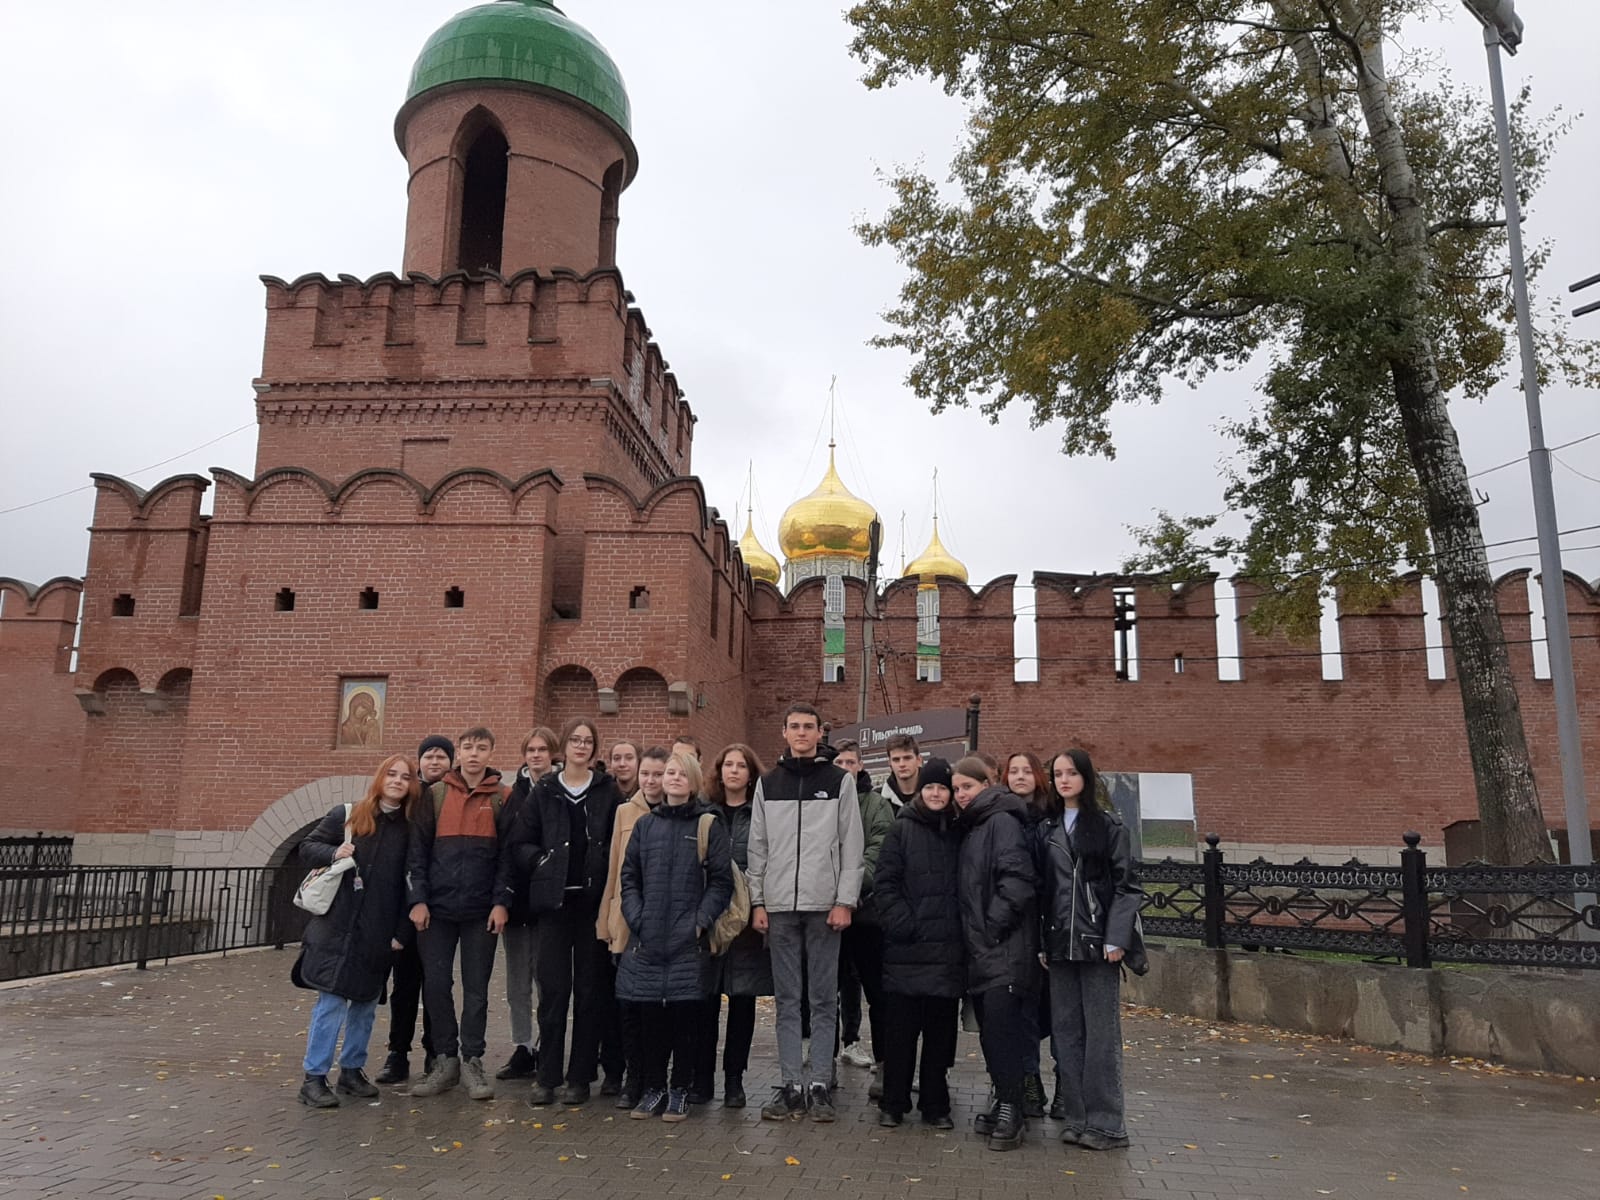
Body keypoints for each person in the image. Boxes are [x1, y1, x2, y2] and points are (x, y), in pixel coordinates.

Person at [496, 716, 624, 1106]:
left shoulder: (607, 791)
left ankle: (580, 1077)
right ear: (563, 747)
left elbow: (619, 842)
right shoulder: (546, 790)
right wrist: (541, 863)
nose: (581, 747)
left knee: (590, 993)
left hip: (591, 907)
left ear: (594, 749)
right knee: (553, 993)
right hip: (553, 907)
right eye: (575, 740)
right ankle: (547, 1075)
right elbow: (520, 842)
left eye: (588, 741)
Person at [747, 703, 864, 1122]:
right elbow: (757, 847)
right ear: (784, 733)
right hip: (779, 907)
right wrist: (758, 901)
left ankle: (820, 1082)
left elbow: (851, 845)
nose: (801, 733)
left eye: (809, 727)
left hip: (824, 907)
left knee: (822, 998)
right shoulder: (769, 783)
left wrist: (844, 900)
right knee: (787, 999)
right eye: (794, 726)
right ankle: (791, 1084)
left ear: (820, 733)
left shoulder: (838, 782)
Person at [616, 751, 734, 1122]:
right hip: (648, 939)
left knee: (686, 1020)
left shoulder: (708, 825)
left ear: (694, 781)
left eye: (683, 773)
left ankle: (679, 1090)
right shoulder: (645, 826)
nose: (674, 778)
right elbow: (629, 878)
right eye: (670, 773)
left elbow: (720, 881)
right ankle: (653, 1089)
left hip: (688, 941)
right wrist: (637, 917)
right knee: (651, 1019)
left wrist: (700, 921)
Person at [296, 754, 418, 1107]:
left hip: (377, 931)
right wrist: (335, 852)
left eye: (405, 777)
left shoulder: (409, 829)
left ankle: (351, 1070)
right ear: (380, 778)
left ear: (412, 786)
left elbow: (408, 885)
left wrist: (401, 932)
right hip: (335, 928)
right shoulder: (347, 814)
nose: (397, 781)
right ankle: (314, 1078)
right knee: (331, 1002)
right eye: (391, 774)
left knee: (365, 1004)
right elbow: (308, 848)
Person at [1038, 748, 1142, 1152]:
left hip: (1099, 945)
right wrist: (1044, 943)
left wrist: (1116, 938)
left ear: (1086, 776)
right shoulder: (1047, 828)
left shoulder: (1109, 826)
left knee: (1101, 1037)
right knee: (1066, 1035)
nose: (1064, 780)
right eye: (1057, 774)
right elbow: (1045, 891)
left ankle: (1108, 1124)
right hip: (1059, 945)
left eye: (1071, 773)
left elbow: (1127, 886)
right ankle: (1078, 1118)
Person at [406, 727, 512, 1101]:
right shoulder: (433, 796)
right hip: (436, 910)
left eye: (482, 748)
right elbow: (416, 853)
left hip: (481, 911)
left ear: (490, 752)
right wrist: (417, 899)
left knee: (477, 989)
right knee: (435, 986)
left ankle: (472, 1060)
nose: (473, 754)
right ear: (458, 754)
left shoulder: (502, 797)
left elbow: (507, 858)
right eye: (467, 747)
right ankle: (446, 1060)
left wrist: (502, 902)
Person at [953, 754, 1039, 1151]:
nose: (960, 795)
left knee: (1003, 1032)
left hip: (1003, 949)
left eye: (967, 787)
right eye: (956, 790)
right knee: (990, 1032)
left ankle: (1012, 1110)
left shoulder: (1000, 821)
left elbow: (1017, 880)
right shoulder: (974, 826)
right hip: (985, 951)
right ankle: (1006, 1101)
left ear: (986, 785)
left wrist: (990, 928)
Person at [873, 757, 963, 1129]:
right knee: (901, 1034)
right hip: (907, 951)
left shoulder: (961, 829)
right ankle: (893, 1103)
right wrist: (902, 924)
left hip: (947, 950)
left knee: (940, 1036)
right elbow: (885, 883)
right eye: (930, 788)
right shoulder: (901, 829)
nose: (936, 794)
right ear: (920, 791)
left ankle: (935, 1104)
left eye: (942, 788)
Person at [374, 735, 451, 1085]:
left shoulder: (453, 794)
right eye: (429, 756)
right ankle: (397, 1052)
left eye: (441, 756)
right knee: (405, 985)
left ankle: (436, 1050)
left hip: (443, 905)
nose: (435, 762)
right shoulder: (410, 796)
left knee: (438, 983)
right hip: (407, 902)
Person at [598, 743, 671, 1109]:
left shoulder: (680, 813)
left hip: (664, 922)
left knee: (658, 1010)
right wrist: (606, 922)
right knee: (626, 1005)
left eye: (659, 773)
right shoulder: (625, 811)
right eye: (646, 774)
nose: (652, 780)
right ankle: (632, 1077)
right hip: (626, 920)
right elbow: (614, 868)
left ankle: (659, 1079)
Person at [696, 742, 769, 1109]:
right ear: (719, 771)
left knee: (743, 1001)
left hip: (745, 919)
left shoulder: (761, 813)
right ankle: (702, 1079)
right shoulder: (705, 811)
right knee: (705, 1002)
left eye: (742, 765)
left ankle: (735, 1080)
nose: (734, 771)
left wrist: (758, 904)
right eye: (728, 765)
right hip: (710, 915)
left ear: (751, 773)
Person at [832, 739, 894, 1094]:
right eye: (838, 761)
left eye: (850, 762)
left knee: (878, 994)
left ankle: (885, 1066)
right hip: (827, 912)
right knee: (827, 993)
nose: (844, 767)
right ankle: (828, 1065)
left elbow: (878, 849)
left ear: (860, 766)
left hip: (867, 913)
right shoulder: (821, 802)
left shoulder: (875, 805)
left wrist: (849, 889)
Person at [495, 726, 556, 1083]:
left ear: (553, 754)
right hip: (519, 902)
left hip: (550, 904)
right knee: (517, 980)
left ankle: (547, 1043)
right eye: (530, 749)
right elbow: (505, 848)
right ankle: (522, 1045)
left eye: (542, 749)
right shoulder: (512, 796)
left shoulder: (562, 790)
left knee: (548, 979)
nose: (536, 755)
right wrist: (502, 899)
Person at [1003, 749, 1054, 1118]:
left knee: (1052, 1010)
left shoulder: (1050, 818)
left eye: (1026, 770)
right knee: (1022, 1011)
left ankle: (1063, 1083)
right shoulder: (1001, 817)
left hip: (1050, 922)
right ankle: (1028, 1082)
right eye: (1013, 771)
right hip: (1015, 925)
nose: (1019, 776)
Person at [880, 733, 922, 810]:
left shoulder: (934, 796)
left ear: (919, 760)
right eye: (896, 760)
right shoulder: (878, 799)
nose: (902, 764)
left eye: (907, 758)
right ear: (890, 763)